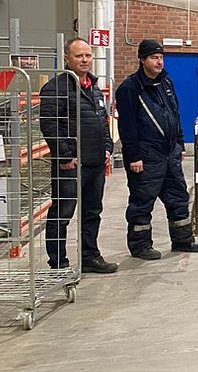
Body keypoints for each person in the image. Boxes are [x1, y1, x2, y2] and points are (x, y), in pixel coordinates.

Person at [115, 39, 198, 260]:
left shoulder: (166, 83)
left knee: (177, 197)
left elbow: (174, 114)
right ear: (142, 60)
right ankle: (140, 246)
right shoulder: (130, 88)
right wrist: (134, 156)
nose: (159, 62)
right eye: (154, 58)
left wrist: (179, 143)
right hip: (146, 156)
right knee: (142, 201)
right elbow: (127, 127)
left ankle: (183, 241)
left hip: (169, 154)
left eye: (161, 57)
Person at [39, 37, 118, 273]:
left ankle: (90, 257)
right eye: (79, 56)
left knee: (92, 213)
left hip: (94, 162)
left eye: (88, 55)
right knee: (62, 213)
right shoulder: (56, 87)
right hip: (70, 164)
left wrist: (107, 147)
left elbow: (103, 121)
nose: (85, 60)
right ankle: (58, 263)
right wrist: (64, 157)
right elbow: (50, 125)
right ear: (67, 58)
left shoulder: (93, 87)